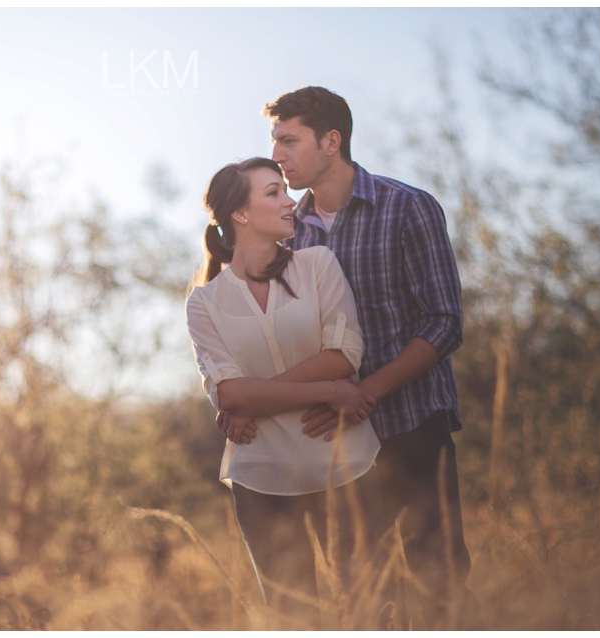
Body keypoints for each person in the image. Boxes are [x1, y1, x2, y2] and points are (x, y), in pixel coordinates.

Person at [253, 86, 483, 630]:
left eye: (289, 140)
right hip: (334, 446)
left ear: (331, 142)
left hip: (413, 424)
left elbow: (445, 322)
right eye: (274, 142)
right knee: (361, 592)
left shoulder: (409, 207)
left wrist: (365, 393)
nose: (277, 155)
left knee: (438, 581)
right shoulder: (290, 232)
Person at [185, 157, 385, 630]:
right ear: (240, 213)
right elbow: (229, 396)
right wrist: (327, 391)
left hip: (346, 468)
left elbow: (344, 356)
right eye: (273, 192)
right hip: (262, 483)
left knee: (371, 613)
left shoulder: (318, 264)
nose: (289, 200)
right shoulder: (204, 302)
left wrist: (256, 396)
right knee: (295, 621)